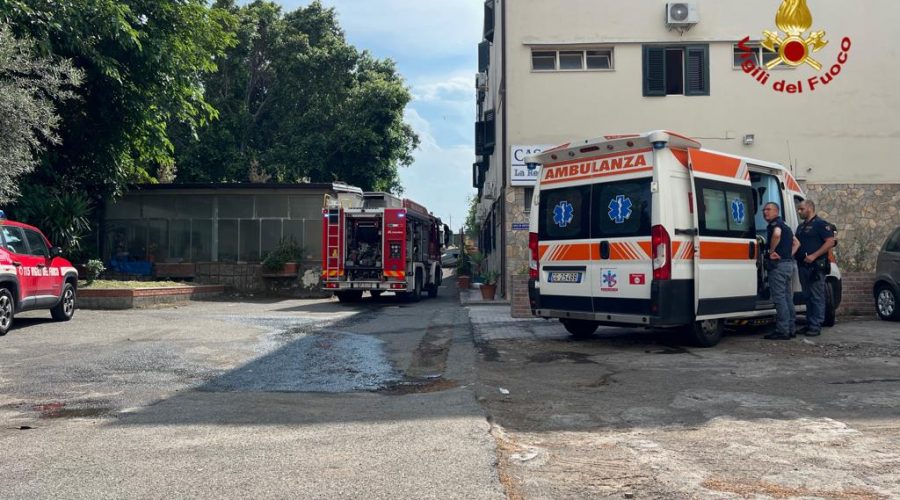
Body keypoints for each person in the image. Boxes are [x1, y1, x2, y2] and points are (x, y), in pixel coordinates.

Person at [796, 200, 836, 336]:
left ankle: (816, 325)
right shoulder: (800, 227)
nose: (799, 211)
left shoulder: (820, 224)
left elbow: (830, 241)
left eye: (801, 209)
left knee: (817, 296)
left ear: (809, 208)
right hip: (803, 266)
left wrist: (814, 256)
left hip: (816, 267)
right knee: (807, 296)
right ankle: (809, 324)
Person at [762, 202, 800, 340]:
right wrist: (788, 255)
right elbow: (797, 243)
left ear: (776, 211)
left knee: (779, 299)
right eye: (764, 210)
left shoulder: (775, 225)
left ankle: (782, 330)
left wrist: (771, 251)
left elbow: (777, 235)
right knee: (787, 298)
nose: (765, 212)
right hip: (788, 264)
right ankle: (791, 328)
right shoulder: (786, 226)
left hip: (778, 266)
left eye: (768, 209)